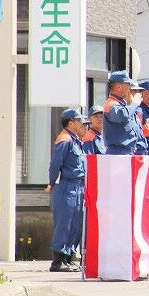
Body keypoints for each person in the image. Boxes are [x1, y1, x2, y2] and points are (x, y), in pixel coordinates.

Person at [46, 108, 86, 273]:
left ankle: (68, 258)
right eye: (79, 121)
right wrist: (51, 183)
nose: (82, 124)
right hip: (66, 186)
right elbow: (55, 164)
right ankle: (57, 262)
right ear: (71, 123)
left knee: (75, 224)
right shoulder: (64, 139)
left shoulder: (75, 140)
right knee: (64, 223)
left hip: (77, 186)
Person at [102, 71, 145, 156]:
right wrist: (135, 104)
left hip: (126, 152)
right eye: (128, 84)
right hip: (118, 152)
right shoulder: (111, 104)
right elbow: (122, 116)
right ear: (118, 87)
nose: (129, 87)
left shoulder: (120, 104)